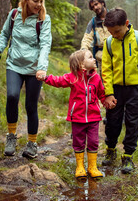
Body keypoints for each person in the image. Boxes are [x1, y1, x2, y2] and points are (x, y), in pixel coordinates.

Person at [0, 0, 52, 159]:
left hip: (34, 68)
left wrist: (42, 68)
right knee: (12, 96)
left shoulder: (44, 19)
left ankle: (32, 143)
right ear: (26, 0)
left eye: (41, 1)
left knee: (30, 105)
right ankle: (11, 136)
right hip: (14, 64)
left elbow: (45, 44)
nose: (39, 5)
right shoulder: (14, 15)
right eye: (35, 1)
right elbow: (5, 34)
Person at [101, 8, 138, 174]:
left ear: (126, 24)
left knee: (133, 122)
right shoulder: (109, 43)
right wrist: (108, 93)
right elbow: (106, 70)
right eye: (111, 32)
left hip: (136, 89)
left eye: (117, 31)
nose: (115, 35)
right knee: (112, 121)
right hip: (115, 90)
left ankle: (128, 156)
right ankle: (111, 150)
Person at [42, 49, 111, 179]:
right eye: (90, 57)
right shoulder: (72, 77)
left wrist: (106, 101)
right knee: (78, 141)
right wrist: (46, 78)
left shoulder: (96, 78)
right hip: (77, 118)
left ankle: (92, 167)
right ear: (81, 65)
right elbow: (58, 81)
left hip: (93, 117)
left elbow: (101, 93)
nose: (94, 59)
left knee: (93, 141)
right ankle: (80, 166)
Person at [80, 0, 111, 77]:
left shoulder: (113, 17)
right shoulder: (93, 23)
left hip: (117, 56)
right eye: (93, 7)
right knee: (103, 85)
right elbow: (87, 38)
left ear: (102, 3)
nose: (95, 7)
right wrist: (83, 51)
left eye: (96, 4)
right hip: (101, 59)